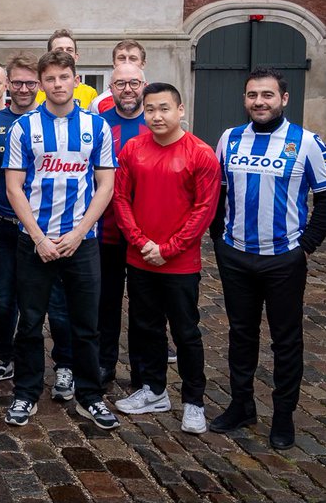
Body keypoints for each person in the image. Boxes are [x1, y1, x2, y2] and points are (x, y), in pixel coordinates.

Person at [210, 67, 326, 450]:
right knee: (241, 334)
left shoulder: (307, 142)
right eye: (252, 95)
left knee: (286, 341)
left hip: (284, 259)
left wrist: (306, 247)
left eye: (267, 95)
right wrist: (219, 240)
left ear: (284, 99)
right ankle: (241, 405)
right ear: (245, 99)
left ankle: (283, 416)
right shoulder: (229, 139)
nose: (259, 102)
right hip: (237, 256)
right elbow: (218, 193)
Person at [3, 50, 119, 431]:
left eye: (63, 77)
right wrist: (38, 237)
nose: (57, 84)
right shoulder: (25, 127)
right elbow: (14, 187)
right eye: (49, 78)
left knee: (87, 324)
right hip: (34, 241)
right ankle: (26, 392)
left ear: (75, 79)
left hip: (81, 241)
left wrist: (80, 232)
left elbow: (106, 184)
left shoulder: (96, 126)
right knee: (31, 322)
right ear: (41, 83)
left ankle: (90, 397)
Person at [112, 82, 219, 435]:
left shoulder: (200, 154)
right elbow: (121, 199)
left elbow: (204, 210)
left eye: (164, 109)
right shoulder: (132, 149)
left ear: (180, 110)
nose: (157, 116)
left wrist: (169, 248)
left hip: (180, 263)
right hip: (140, 257)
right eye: (151, 110)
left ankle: (194, 401)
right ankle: (154, 390)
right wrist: (142, 243)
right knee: (145, 328)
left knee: (186, 332)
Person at [0, 54, 73, 399]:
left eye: (31, 83)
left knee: (57, 303)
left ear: (42, 85)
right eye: (16, 82)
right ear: (6, 85)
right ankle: (3, 356)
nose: (23, 88)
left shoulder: (53, 121)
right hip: (6, 225)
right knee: (4, 299)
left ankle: (65, 365)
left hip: (49, 227)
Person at [95, 63, 150, 387]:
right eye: (120, 84)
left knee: (145, 307)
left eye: (133, 83)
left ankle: (144, 372)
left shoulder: (155, 124)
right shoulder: (100, 125)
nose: (127, 89)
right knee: (106, 303)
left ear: (143, 84)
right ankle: (104, 363)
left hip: (145, 234)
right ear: (110, 89)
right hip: (108, 232)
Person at [34, 29, 99, 110]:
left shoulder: (89, 93)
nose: (65, 53)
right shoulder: (36, 92)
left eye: (69, 50)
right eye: (59, 50)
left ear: (76, 57)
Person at [90, 40, 147, 115]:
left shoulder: (156, 97)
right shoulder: (98, 103)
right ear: (114, 63)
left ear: (143, 64)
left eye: (133, 59)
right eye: (121, 58)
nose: (127, 62)